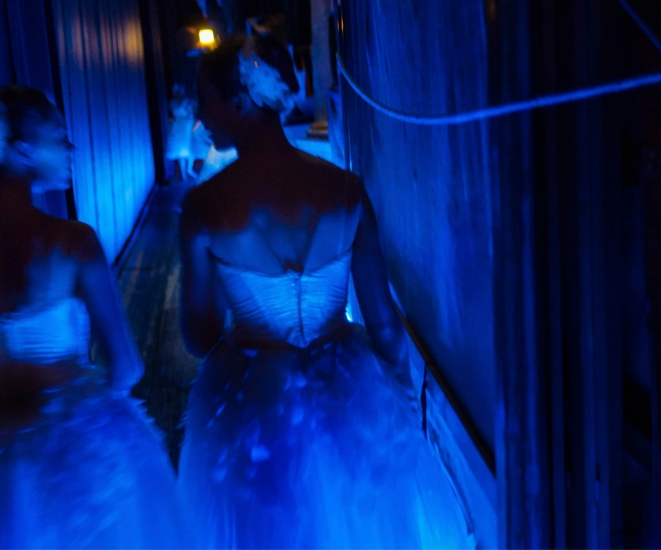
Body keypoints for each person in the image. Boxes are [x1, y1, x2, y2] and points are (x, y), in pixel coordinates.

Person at [177, 36, 474, 548]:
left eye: (205, 100)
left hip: (255, 401)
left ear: (241, 101)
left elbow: (199, 337)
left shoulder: (205, 207)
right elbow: (385, 325)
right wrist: (396, 399)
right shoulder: (345, 189)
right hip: (347, 388)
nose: (201, 117)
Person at [0, 86, 188, 548]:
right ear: (23, 151)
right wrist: (87, 404)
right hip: (71, 444)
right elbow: (126, 366)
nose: (72, 147)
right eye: (60, 136)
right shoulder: (73, 241)